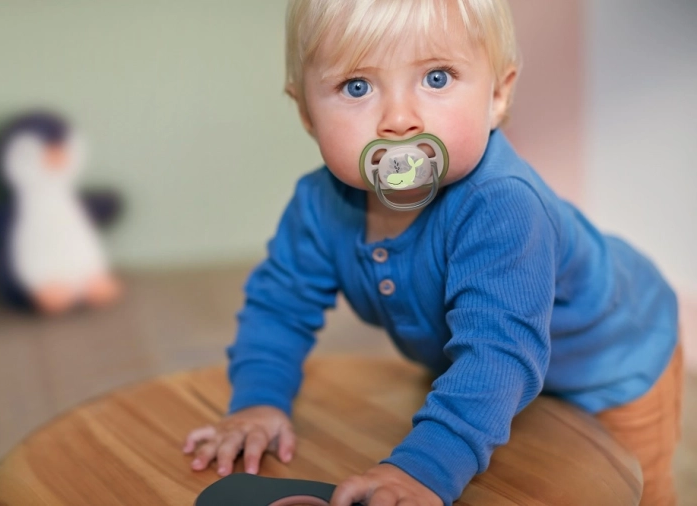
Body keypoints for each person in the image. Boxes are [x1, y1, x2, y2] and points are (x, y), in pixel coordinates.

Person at [183, 1, 682, 504]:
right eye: (357, 86)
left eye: (436, 78)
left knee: (631, 489)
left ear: (498, 95)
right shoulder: (319, 205)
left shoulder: (503, 206)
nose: (399, 120)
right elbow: (278, 308)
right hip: (489, 372)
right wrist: (258, 401)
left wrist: (424, 469)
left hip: (614, 362)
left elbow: (498, 351)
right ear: (306, 113)